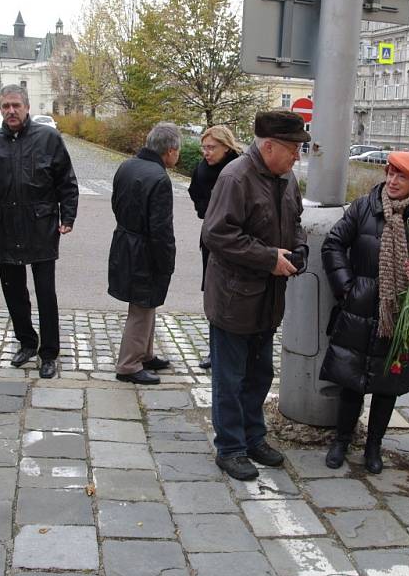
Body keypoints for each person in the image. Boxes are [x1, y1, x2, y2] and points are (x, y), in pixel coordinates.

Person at [321, 152, 409, 474]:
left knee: (386, 384)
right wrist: (346, 286)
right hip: (360, 309)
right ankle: (341, 440)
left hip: (399, 313)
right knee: (351, 380)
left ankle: (374, 445)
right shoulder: (364, 206)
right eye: (390, 173)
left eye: (400, 177)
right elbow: (333, 243)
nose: (391, 181)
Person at [202, 110, 309, 481]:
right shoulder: (236, 178)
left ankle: (253, 437)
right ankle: (229, 447)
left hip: (268, 298)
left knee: (259, 373)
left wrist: (299, 250)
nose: (298, 156)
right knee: (230, 379)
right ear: (268, 146)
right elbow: (216, 234)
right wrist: (268, 258)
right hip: (235, 298)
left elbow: (294, 222)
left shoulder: (285, 177)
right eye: (293, 149)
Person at [0, 84, 78, 378]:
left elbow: (66, 181)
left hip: (41, 225)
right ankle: (27, 342)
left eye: (16, 105)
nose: (11, 111)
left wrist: (68, 215)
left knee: (45, 293)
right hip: (5, 226)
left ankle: (49, 352)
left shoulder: (48, 138)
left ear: (27, 107)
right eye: (5, 106)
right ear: (0, 109)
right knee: (14, 291)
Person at [108, 123, 179, 386]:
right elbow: (161, 229)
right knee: (142, 307)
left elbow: (116, 203)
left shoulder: (127, 166)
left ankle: (145, 354)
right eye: (177, 151)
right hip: (145, 250)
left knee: (146, 305)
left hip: (125, 242)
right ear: (170, 151)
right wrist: (167, 260)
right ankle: (128, 364)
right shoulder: (160, 178)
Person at [188, 125, 243, 370]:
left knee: (233, 297)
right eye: (204, 147)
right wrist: (207, 209)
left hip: (235, 240)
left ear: (226, 147)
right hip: (210, 238)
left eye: (212, 148)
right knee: (213, 294)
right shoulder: (201, 169)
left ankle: (233, 352)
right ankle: (215, 352)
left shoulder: (238, 169)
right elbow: (194, 193)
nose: (206, 152)